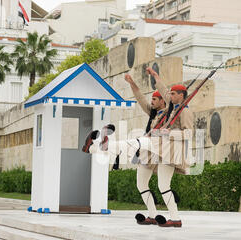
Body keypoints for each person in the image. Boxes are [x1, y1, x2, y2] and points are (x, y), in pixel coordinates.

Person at [83, 68, 194, 227]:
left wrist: (168, 133)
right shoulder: (171, 108)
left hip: (167, 150)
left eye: (173, 94)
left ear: (181, 95)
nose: (169, 95)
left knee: (136, 145)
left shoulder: (185, 112)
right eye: (169, 94)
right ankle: (154, 215)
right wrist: (155, 76)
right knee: (141, 180)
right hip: (155, 147)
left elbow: (188, 134)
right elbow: (160, 91)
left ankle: (175, 219)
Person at [124, 73, 168, 226]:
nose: (152, 102)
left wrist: (157, 76)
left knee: (163, 186)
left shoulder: (170, 114)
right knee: (141, 184)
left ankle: (172, 216)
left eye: (155, 99)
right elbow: (141, 99)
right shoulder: (154, 113)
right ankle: (153, 214)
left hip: (159, 153)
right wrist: (132, 83)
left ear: (163, 100)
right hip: (146, 152)